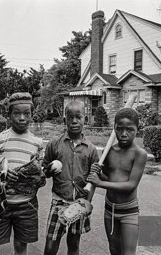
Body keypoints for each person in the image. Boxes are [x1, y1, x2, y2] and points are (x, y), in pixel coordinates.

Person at [0, 92, 44, 255]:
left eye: (26, 113)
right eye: (17, 113)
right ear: (9, 115)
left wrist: (38, 175)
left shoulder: (38, 143)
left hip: (27, 204)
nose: (22, 118)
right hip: (2, 204)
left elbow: (40, 174)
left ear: (31, 116)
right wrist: (0, 171)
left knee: (21, 246)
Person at [87, 108, 147, 255]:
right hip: (110, 210)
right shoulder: (109, 151)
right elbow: (110, 179)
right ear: (114, 128)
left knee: (128, 253)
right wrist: (98, 173)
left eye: (129, 129)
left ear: (137, 130)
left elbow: (130, 185)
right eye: (120, 129)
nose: (124, 133)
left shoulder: (140, 154)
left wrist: (99, 183)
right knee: (114, 250)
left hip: (129, 212)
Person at [43, 101, 99, 255]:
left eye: (78, 117)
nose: (74, 121)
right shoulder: (54, 144)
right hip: (59, 200)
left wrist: (88, 203)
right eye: (70, 117)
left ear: (85, 120)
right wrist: (48, 171)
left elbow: (93, 181)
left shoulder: (91, 149)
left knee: (73, 243)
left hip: (79, 202)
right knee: (50, 244)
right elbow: (44, 171)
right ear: (64, 120)